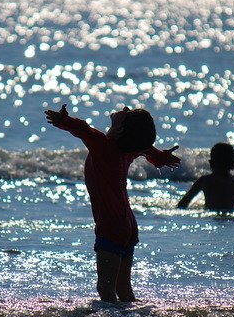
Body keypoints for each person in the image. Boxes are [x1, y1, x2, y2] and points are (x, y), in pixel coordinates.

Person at [44, 104, 180, 304]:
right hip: (127, 225)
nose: (124, 109)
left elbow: (82, 129)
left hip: (110, 224)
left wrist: (63, 121)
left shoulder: (105, 145)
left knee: (105, 288)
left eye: (126, 114)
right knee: (123, 288)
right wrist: (160, 158)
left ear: (120, 129)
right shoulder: (129, 149)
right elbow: (145, 149)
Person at [177, 142, 234, 211]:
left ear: (210, 163)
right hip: (232, 217)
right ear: (233, 165)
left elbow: (183, 204)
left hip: (211, 213)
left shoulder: (204, 180)